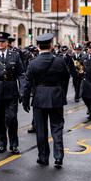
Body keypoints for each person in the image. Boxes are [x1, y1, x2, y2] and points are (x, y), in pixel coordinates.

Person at [22, 33, 69, 168]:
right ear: (51, 45)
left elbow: (27, 84)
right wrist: (62, 93)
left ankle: (43, 157)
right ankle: (59, 157)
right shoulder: (60, 61)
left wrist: (25, 101)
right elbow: (66, 78)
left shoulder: (33, 63)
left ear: (38, 47)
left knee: (41, 130)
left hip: (39, 98)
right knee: (57, 127)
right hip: (56, 97)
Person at [0, 32, 25, 155]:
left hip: (11, 90)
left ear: (7, 43)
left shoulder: (15, 55)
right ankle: (2, 144)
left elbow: (21, 74)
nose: (0, 43)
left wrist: (22, 90)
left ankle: (14, 144)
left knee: (12, 118)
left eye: (3, 41)